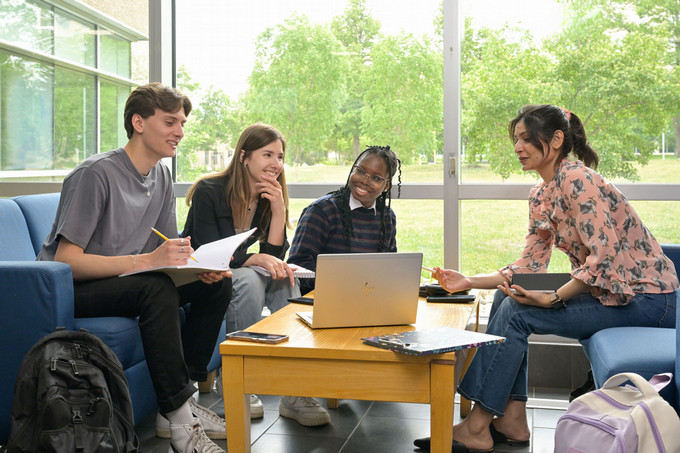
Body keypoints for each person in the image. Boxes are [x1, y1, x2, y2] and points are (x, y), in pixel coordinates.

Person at [413, 104, 679, 452]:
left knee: (517, 314)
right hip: (612, 294)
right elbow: (530, 263)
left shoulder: (577, 179)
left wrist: (554, 298)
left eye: (525, 138)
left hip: (650, 300)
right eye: (516, 139)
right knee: (506, 297)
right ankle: (512, 419)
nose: (517, 147)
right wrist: (468, 282)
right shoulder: (541, 193)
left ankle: (477, 425)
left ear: (555, 140)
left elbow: (605, 257)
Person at [37, 82, 231, 453]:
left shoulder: (161, 176)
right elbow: (65, 261)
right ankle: (179, 421)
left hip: (127, 280)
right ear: (138, 122)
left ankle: (180, 401)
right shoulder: (95, 174)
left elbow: (166, 251)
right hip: (70, 290)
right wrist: (149, 262)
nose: (180, 132)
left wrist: (195, 268)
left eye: (183, 123)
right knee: (155, 288)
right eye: (171, 122)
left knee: (215, 284)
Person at [181, 123, 329, 427]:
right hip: (202, 276)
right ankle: (236, 378)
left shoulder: (267, 195)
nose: (276, 163)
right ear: (244, 157)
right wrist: (256, 258)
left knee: (284, 278)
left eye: (280, 156)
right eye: (267, 154)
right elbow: (208, 251)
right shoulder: (209, 191)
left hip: (236, 271)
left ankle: (294, 389)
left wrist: (278, 211)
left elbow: (273, 259)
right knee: (248, 278)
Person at [288, 145, 401, 298]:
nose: (365, 180)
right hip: (323, 299)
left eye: (376, 178)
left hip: (368, 299)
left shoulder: (386, 217)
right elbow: (298, 268)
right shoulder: (322, 211)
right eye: (360, 171)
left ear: (386, 185)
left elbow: (389, 268)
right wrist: (345, 285)